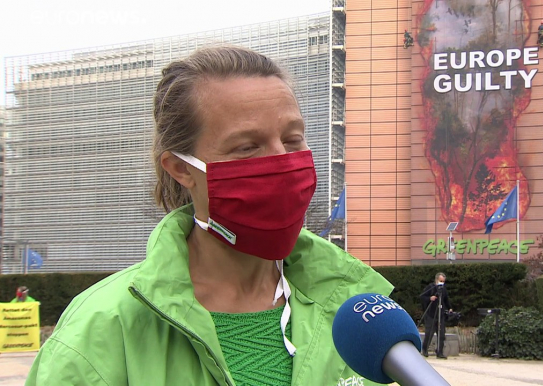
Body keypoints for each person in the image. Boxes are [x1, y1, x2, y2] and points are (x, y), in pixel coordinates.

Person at [26, 45, 393, 385]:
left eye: (293, 139)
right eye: (247, 147)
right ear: (181, 169)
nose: (282, 160)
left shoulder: (358, 309)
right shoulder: (99, 332)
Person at [420, 272, 452, 359]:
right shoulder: (430, 287)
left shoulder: (444, 290)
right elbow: (422, 297)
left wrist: (449, 308)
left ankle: (440, 351)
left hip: (440, 314)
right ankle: (425, 349)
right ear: (437, 280)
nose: (442, 283)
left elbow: (446, 299)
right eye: (441, 281)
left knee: (441, 334)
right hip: (431, 313)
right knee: (429, 333)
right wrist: (430, 298)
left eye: (443, 281)